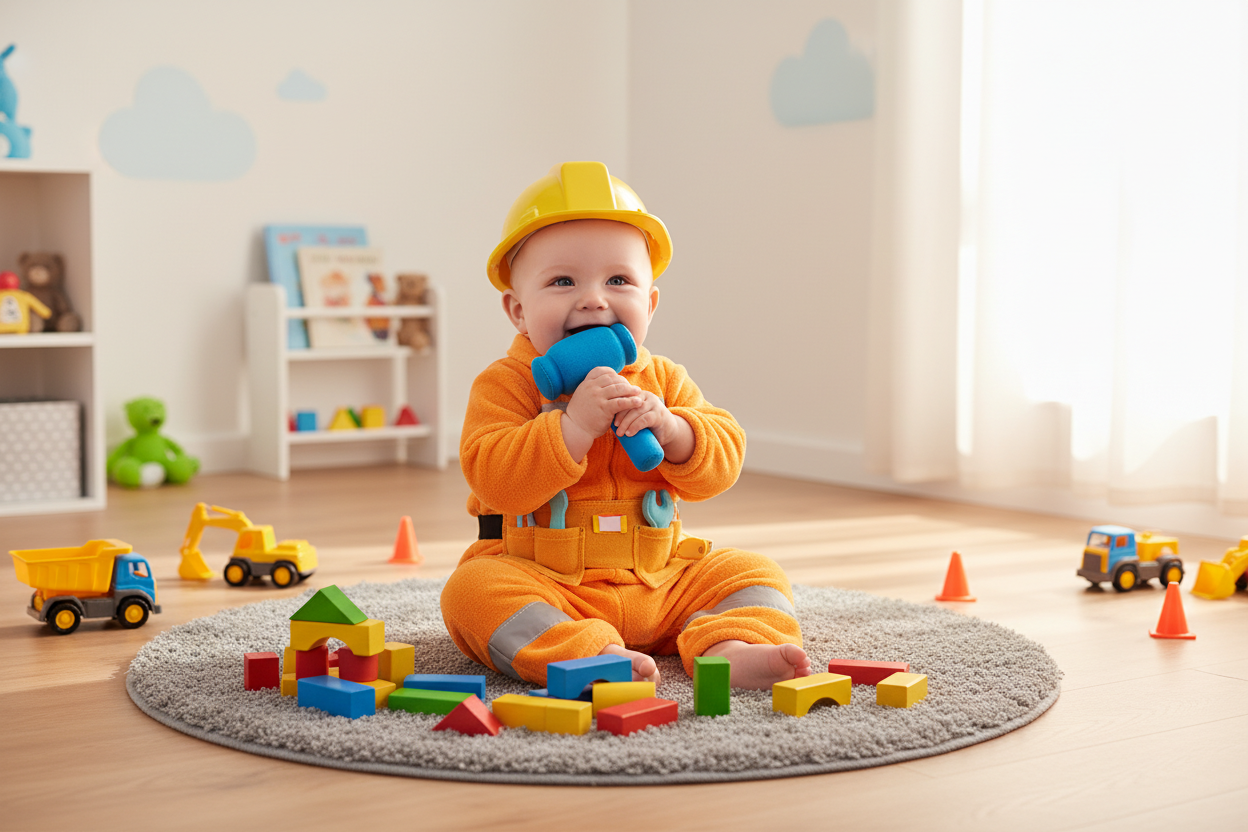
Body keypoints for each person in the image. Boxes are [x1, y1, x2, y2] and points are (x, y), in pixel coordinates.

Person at [440, 161, 811, 689]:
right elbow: (492, 476)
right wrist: (572, 427)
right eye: (563, 280)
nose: (594, 298)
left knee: (753, 571)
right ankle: (586, 653)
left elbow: (723, 460)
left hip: (661, 581)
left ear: (650, 303)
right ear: (518, 311)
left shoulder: (661, 378)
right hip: (546, 580)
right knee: (471, 592)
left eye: (619, 280)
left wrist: (673, 431)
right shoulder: (508, 383)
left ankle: (731, 646)